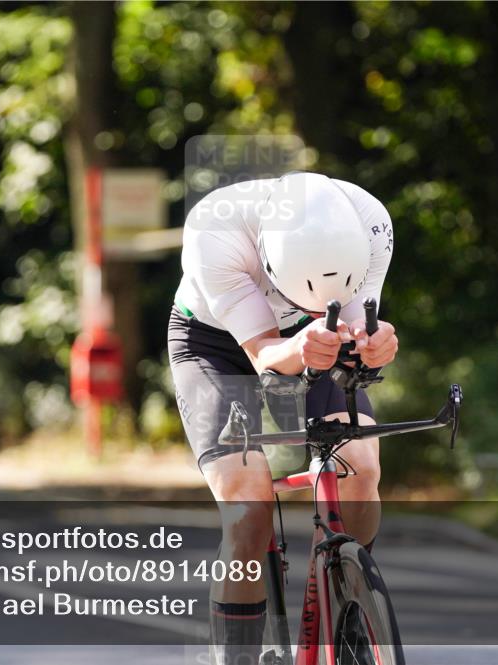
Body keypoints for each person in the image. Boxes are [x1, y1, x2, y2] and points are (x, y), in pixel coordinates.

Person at [168, 172, 397, 664]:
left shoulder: (370, 221)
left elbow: (358, 329)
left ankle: (352, 605)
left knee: (361, 466)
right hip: (217, 345)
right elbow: (265, 356)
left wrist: (375, 344)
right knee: (248, 505)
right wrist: (299, 343)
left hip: (318, 332)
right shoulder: (216, 229)